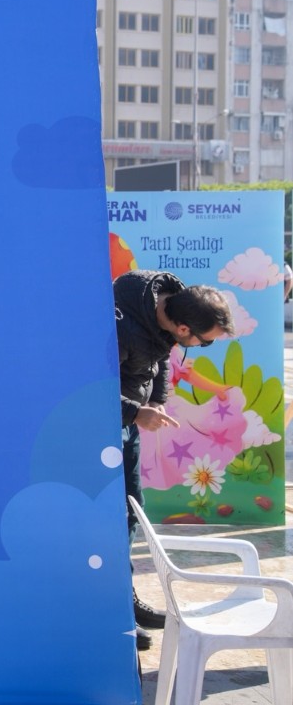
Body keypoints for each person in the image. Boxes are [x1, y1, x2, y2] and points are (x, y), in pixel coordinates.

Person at [114, 270, 234, 651]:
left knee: (131, 510)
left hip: (126, 424)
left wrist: (157, 400)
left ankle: (125, 600)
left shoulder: (168, 304)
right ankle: (112, 614)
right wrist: (136, 413)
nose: (202, 347)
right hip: (100, 430)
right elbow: (90, 384)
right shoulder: (118, 322)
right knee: (108, 518)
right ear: (183, 328)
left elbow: (163, 356)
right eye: (204, 342)